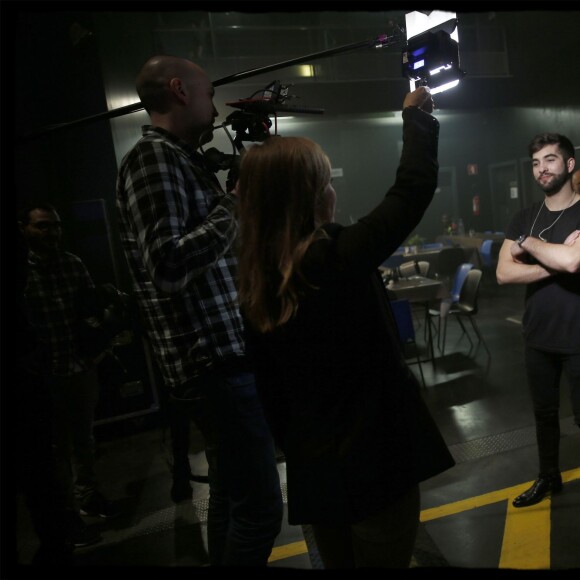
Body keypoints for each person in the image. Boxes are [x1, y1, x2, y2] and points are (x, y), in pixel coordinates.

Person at [236, 86, 455, 569]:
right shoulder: (334, 260)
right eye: (324, 183)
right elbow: (412, 188)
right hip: (376, 467)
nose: (333, 190)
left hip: (316, 476)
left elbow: (273, 400)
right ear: (310, 198)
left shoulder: (257, 285)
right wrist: (415, 119)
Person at [115, 55, 283, 566]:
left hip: (219, 359)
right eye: (209, 94)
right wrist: (235, 202)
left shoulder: (179, 158)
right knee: (259, 509)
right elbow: (167, 263)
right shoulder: (152, 160)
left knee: (232, 496)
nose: (214, 108)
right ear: (179, 91)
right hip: (211, 362)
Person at [19, 202, 120, 549]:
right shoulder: (22, 272)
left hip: (78, 366)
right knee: (56, 449)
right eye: (42, 226)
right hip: (45, 375)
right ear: (25, 229)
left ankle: (87, 495)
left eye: (55, 226)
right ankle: (67, 517)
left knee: (84, 438)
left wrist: (98, 336)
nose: (51, 233)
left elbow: (89, 309)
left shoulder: (72, 264)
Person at [496, 132, 580, 508]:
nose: (541, 169)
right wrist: (557, 258)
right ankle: (549, 477)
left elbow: (574, 262)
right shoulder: (524, 216)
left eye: (549, 160)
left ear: (569, 164)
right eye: (535, 163)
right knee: (544, 416)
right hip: (538, 335)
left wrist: (527, 245)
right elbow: (503, 274)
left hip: (578, 336)